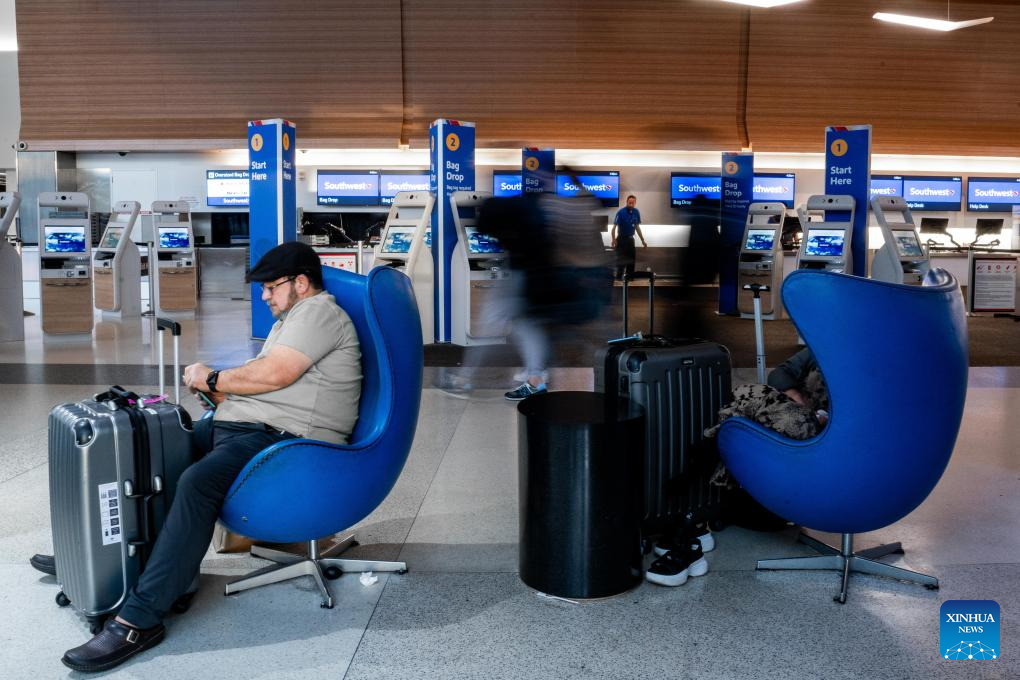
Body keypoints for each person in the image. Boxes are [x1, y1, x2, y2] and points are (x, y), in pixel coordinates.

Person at [54, 241, 362, 673]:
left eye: (271, 287)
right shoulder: (293, 318)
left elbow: (275, 373)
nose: (264, 296)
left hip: (286, 438)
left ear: (301, 282)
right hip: (252, 424)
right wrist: (221, 393)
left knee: (197, 482)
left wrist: (213, 377)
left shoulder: (318, 312)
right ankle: (101, 560)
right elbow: (275, 381)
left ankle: (139, 620)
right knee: (155, 447)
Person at [611, 194, 647, 280]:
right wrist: (613, 239)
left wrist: (642, 240)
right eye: (629, 202)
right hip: (621, 240)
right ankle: (619, 279)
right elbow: (613, 228)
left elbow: (637, 227)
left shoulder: (636, 212)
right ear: (626, 202)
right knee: (621, 262)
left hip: (631, 240)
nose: (631, 204)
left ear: (635, 203)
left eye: (632, 203)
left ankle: (630, 279)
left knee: (631, 261)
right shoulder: (620, 212)